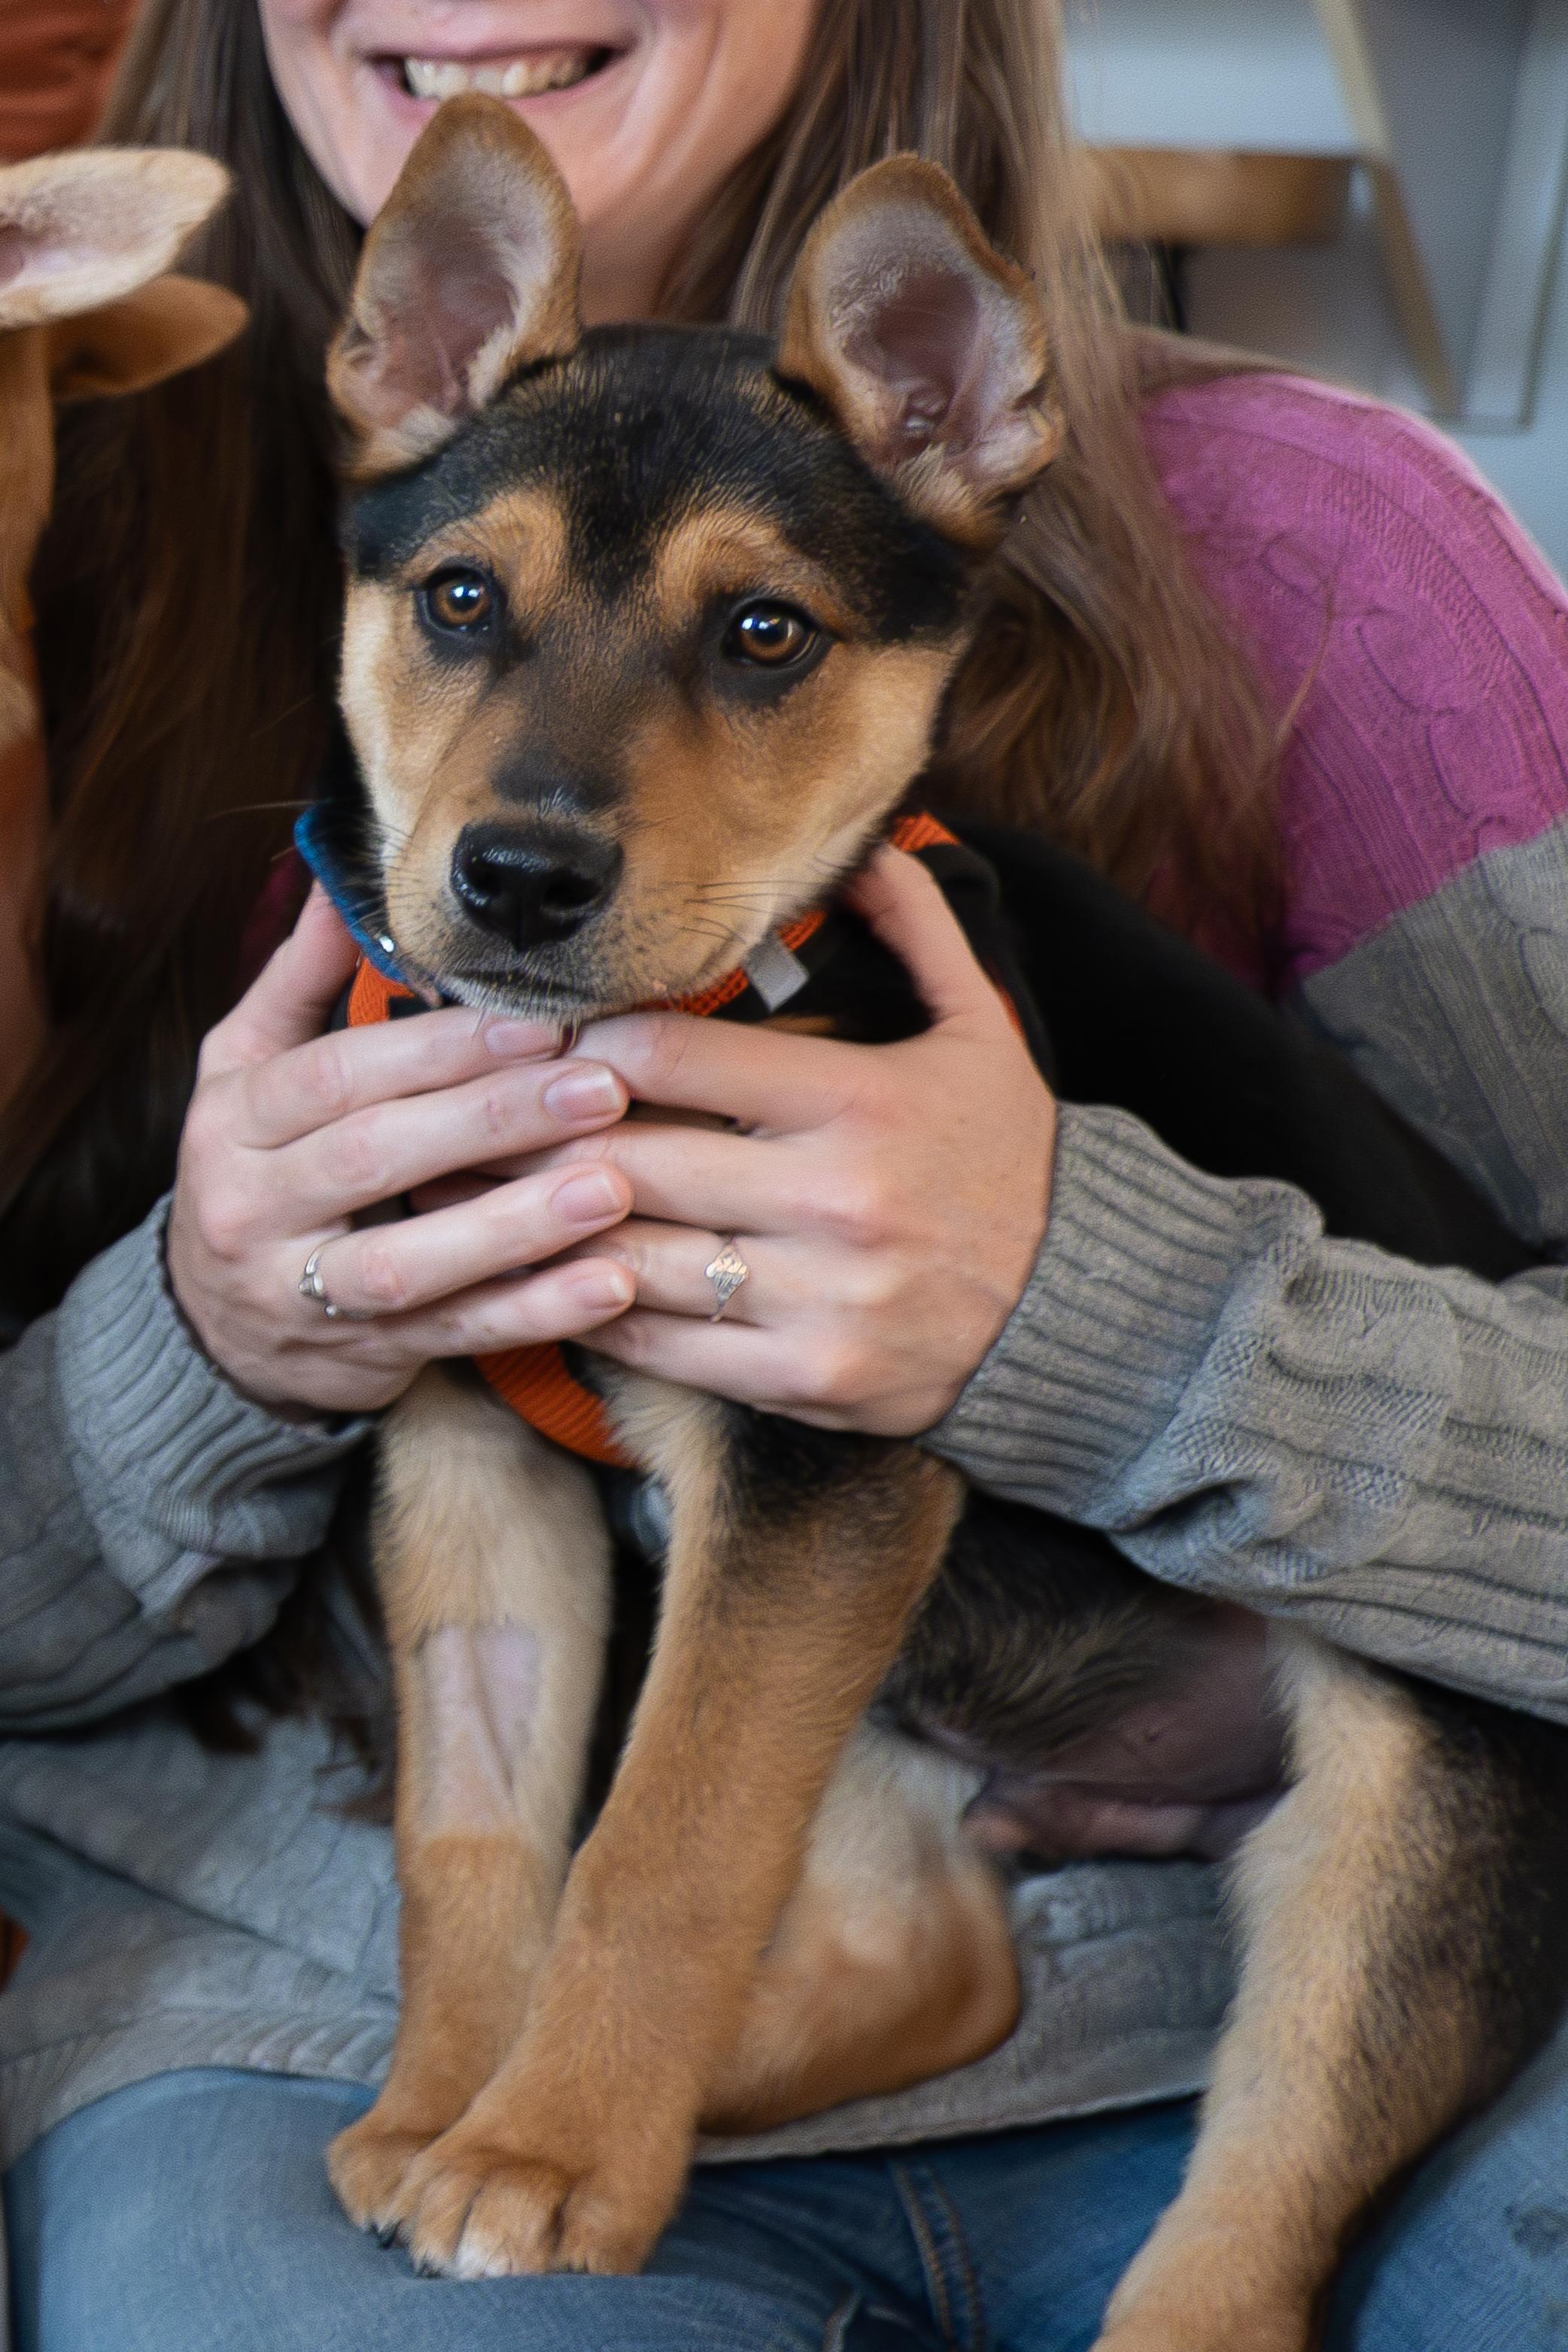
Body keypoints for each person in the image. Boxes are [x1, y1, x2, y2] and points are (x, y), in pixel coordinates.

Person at [5, 3, 1568, 2345]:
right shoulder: (52, 499)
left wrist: (1112, 1322)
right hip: (313, 2005)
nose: (546, 795)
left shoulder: (1335, 560)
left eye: (755, 638)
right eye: (462, 613)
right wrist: (210, 1339)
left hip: (1215, 1981)